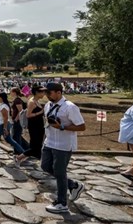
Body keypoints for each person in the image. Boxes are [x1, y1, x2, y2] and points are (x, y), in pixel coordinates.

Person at [41, 82, 86, 214]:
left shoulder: (70, 107)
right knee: (45, 166)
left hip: (63, 144)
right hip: (50, 142)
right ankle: (73, 185)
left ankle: (62, 203)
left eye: (49, 92)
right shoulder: (48, 105)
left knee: (60, 173)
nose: (46, 95)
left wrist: (62, 127)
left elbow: (82, 126)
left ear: (59, 92)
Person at [0, 92, 26, 163]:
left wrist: (5, 128)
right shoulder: (1, 105)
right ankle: (23, 153)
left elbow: (5, 118)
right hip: (0, 124)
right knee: (9, 140)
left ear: (1, 97)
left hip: (1, 124)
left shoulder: (4, 106)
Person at [15, 85, 47, 163]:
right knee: (35, 146)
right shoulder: (32, 102)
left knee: (38, 145)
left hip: (39, 125)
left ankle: (39, 159)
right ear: (36, 92)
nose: (44, 94)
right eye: (42, 92)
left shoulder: (36, 101)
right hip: (34, 127)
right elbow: (28, 115)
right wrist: (40, 112)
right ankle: (18, 158)